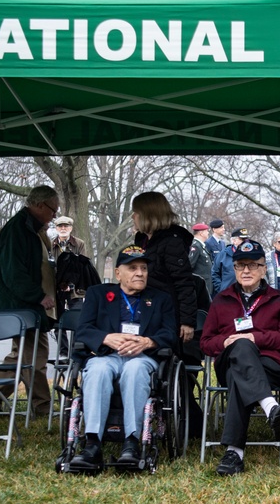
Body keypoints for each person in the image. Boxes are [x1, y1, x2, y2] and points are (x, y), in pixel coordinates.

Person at [68, 246, 178, 470]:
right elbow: (83, 331)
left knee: (134, 370)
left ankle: (132, 442)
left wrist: (148, 342)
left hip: (143, 358)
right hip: (107, 356)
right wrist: (106, 337)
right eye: (133, 268)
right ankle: (92, 443)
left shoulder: (160, 299)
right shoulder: (99, 294)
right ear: (118, 273)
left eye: (143, 268)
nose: (140, 273)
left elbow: (170, 334)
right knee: (97, 370)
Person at [200, 239, 280, 475]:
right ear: (233, 269)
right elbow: (205, 342)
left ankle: (234, 452)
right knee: (238, 353)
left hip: (269, 366)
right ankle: (270, 407)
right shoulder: (221, 301)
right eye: (241, 265)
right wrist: (225, 341)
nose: (246, 271)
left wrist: (255, 338)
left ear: (264, 268)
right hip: (229, 360)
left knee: (238, 373)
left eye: (253, 265)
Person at [0, 185, 59, 416]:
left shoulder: (32, 229)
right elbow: (14, 274)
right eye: (53, 210)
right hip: (22, 306)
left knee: (21, 356)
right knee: (34, 355)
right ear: (39, 205)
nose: (54, 216)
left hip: (27, 306)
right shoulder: (18, 229)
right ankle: (42, 407)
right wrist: (38, 296)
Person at [132, 192, 197, 346]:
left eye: (136, 212)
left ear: (147, 214)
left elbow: (184, 282)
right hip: (143, 309)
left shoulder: (171, 242)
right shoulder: (142, 240)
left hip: (164, 313)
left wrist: (187, 321)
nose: (133, 217)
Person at [51, 215, 88, 313]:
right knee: (57, 321)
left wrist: (70, 285)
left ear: (71, 228)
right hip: (56, 290)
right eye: (60, 226)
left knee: (76, 318)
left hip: (75, 291)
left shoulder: (79, 244)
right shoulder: (50, 245)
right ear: (56, 228)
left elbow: (82, 267)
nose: (63, 228)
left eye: (66, 226)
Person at [211, 227, 248, 296]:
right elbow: (215, 274)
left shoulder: (252, 255)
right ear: (234, 241)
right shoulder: (223, 255)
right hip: (228, 296)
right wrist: (221, 289)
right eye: (242, 239)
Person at [189, 222, 214, 296]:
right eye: (206, 231)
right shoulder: (196, 246)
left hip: (206, 284)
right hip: (200, 284)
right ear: (201, 233)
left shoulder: (201, 246)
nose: (208, 233)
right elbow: (190, 264)